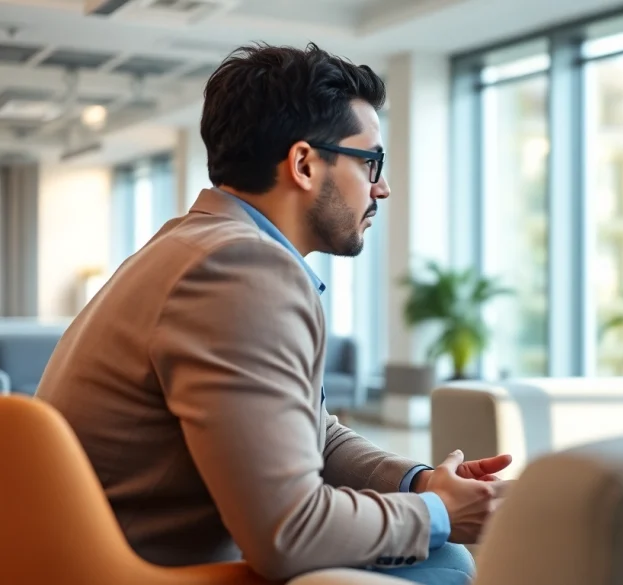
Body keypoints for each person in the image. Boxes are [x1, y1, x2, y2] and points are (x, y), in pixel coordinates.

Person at [35, 43, 510, 585]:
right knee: (441, 564)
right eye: (370, 161)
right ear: (305, 163)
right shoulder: (241, 270)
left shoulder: (195, 246)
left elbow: (314, 431)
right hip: (131, 572)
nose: (382, 187)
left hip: (83, 555)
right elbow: (289, 533)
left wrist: (420, 485)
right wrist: (442, 515)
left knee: (438, 556)